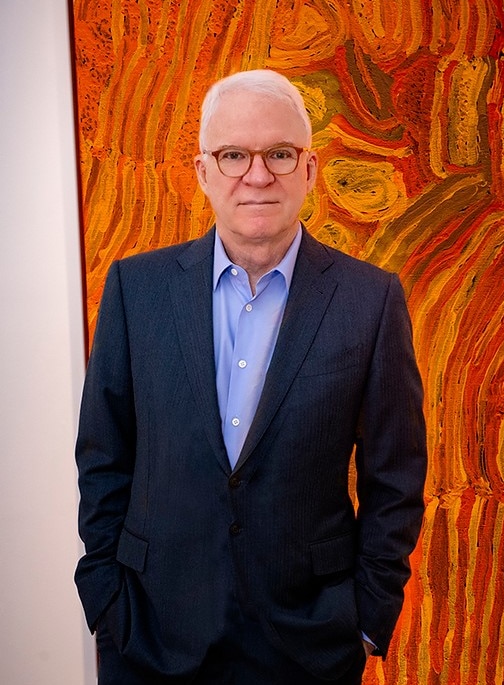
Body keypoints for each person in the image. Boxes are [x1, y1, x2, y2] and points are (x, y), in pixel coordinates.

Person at [75, 69, 427, 685]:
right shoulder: (137, 289)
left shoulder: (370, 302)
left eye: (280, 154)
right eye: (233, 154)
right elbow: (104, 455)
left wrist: (367, 616)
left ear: (310, 169)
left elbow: (394, 478)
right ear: (203, 171)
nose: (257, 175)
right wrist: (105, 596)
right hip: (150, 635)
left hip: (308, 643)